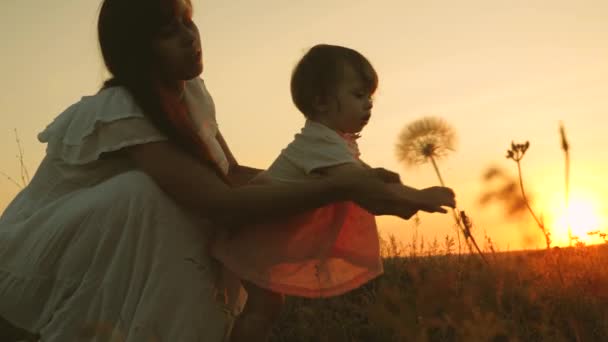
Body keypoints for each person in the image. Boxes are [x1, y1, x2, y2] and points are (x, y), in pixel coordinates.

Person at [0, 1, 456, 341]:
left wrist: (327, 179)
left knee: (185, 208)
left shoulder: (190, 94)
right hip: (55, 243)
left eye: (187, 20)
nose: (189, 36)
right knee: (149, 195)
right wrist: (337, 186)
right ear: (136, 49)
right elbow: (215, 200)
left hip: (134, 230)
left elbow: (230, 174)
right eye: (168, 31)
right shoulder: (118, 111)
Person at [212, 44, 456, 341]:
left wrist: (405, 195)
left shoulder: (335, 144)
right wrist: (418, 196)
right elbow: (363, 188)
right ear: (322, 102)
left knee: (265, 306)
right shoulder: (320, 141)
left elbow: (367, 183)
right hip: (254, 233)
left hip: (262, 231)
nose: (368, 104)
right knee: (263, 307)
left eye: (369, 96)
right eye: (357, 95)